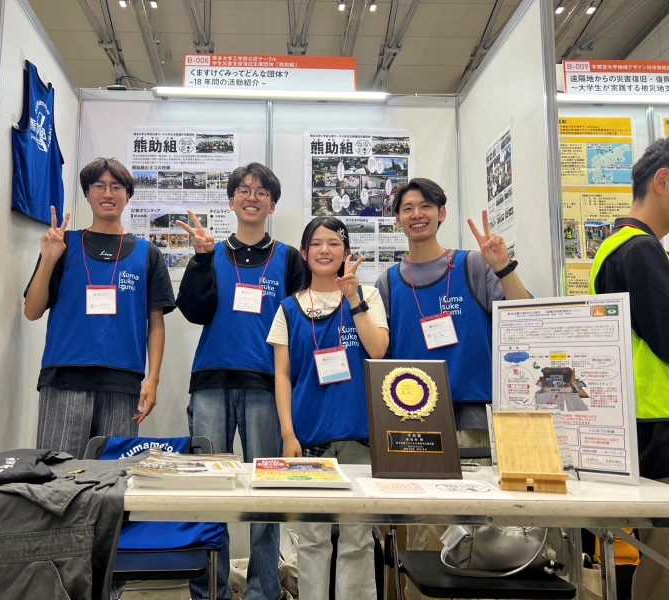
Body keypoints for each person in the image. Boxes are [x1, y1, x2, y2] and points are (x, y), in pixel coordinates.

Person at [375, 178, 529, 600]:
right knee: (428, 530)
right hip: (417, 425)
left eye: (426, 206)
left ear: (441, 213)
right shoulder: (388, 283)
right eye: (407, 208)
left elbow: (522, 315)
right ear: (397, 220)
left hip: (476, 417)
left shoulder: (473, 265)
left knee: (483, 528)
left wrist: (503, 267)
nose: (417, 214)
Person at [175, 162, 305, 600]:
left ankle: (263, 589)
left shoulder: (289, 258)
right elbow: (194, 311)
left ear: (273, 204)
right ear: (231, 201)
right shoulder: (210, 251)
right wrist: (199, 260)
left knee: (266, 491)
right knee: (208, 491)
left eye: (261, 191)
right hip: (210, 381)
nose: (252, 197)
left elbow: (301, 323)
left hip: (267, 385)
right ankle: (210, 590)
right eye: (244, 190)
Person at [268, 216, 389, 600]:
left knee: (357, 538)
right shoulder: (288, 308)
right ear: (304, 253)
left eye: (334, 243)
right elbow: (283, 375)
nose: (325, 250)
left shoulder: (368, 296)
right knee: (312, 538)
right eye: (316, 244)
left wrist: (352, 299)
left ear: (346, 252)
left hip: (360, 436)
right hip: (309, 440)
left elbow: (378, 350)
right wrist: (288, 434)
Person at [24, 157, 175, 461]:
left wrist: (154, 379)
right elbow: (32, 311)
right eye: (99, 186)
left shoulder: (148, 254)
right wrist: (49, 259)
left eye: (116, 187)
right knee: (58, 473)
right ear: (87, 193)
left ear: (127, 196)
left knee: (114, 475)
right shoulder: (63, 244)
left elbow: (156, 323)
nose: (108, 193)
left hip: (123, 381)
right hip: (64, 378)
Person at [589, 138, 669, 600]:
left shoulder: (614, 247)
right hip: (658, 425)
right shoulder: (639, 250)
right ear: (662, 181)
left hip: (643, 423)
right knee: (663, 564)